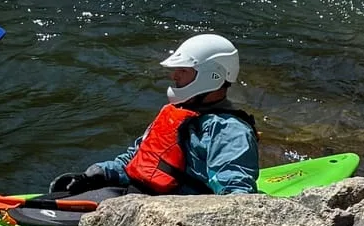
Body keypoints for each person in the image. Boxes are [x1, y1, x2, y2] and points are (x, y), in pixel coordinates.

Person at [49, 34, 259, 197]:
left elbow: (236, 197)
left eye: (183, 70)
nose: (173, 75)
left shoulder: (229, 130)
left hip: (169, 212)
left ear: (213, 75)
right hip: (138, 195)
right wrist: (98, 174)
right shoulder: (176, 113)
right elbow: (138, 159)